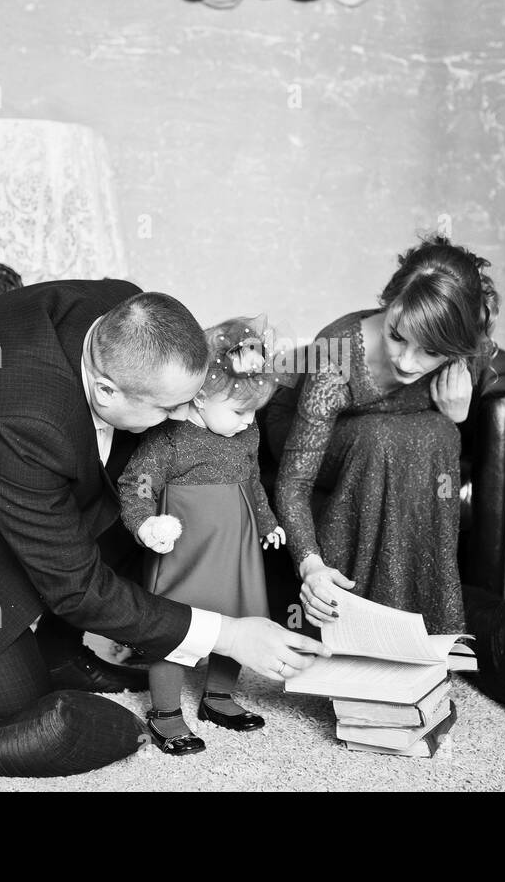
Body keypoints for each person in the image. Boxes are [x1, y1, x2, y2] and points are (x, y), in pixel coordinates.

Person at [0, 280, 326, 776]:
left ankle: (60, 650)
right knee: (8, 701)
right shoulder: (24, 417)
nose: (183, 416)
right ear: (104, 389)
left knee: (136, 503)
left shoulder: (125, 314)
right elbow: (74, 584)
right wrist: (228, 633)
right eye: (170, 407)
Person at [271, 235, 500, 636]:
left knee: (439, 432)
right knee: (379, 441)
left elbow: (445, 440)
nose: (406, 362)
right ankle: (344, 624)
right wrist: (311, 565)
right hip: (302, 433)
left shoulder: (467, 351)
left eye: (429, 351)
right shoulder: (336, 354)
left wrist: (458, 417)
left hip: (383, 439)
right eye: (396, 335)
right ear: (389, 303)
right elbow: (295, 482)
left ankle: (429, 627)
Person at [118, 315, 285, 755]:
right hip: (185, 552)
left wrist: (267, 524)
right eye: (239, 411)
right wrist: (144, 523)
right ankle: (166, 711)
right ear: (201, 396)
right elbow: (137, 482)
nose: (250, 422)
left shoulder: (246, 435)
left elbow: (253, 483)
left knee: (238, 619)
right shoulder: (170, 437)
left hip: (237, 547)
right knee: (173, 625)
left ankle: (219, 697)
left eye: (255, 413)